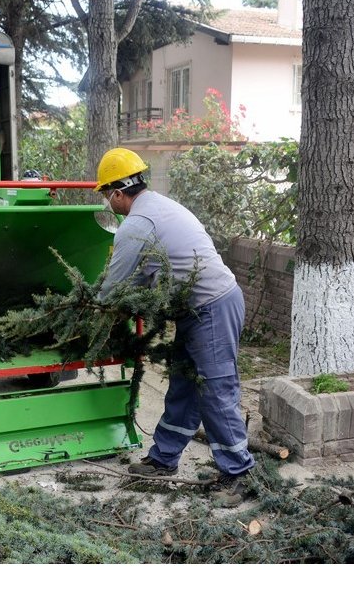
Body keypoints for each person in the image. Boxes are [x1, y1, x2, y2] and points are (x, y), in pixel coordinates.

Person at [94, 147, 255, 507]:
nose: (107, 202)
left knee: (215, 390)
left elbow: (114, 288)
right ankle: (164, 458)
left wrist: (94, 314)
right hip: (199, 309)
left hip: (212, 307)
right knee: (184, 383)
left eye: (106, 194)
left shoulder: (136, 224)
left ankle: (239, 474)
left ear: (117, 193)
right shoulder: (161, 206)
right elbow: (145, 273)